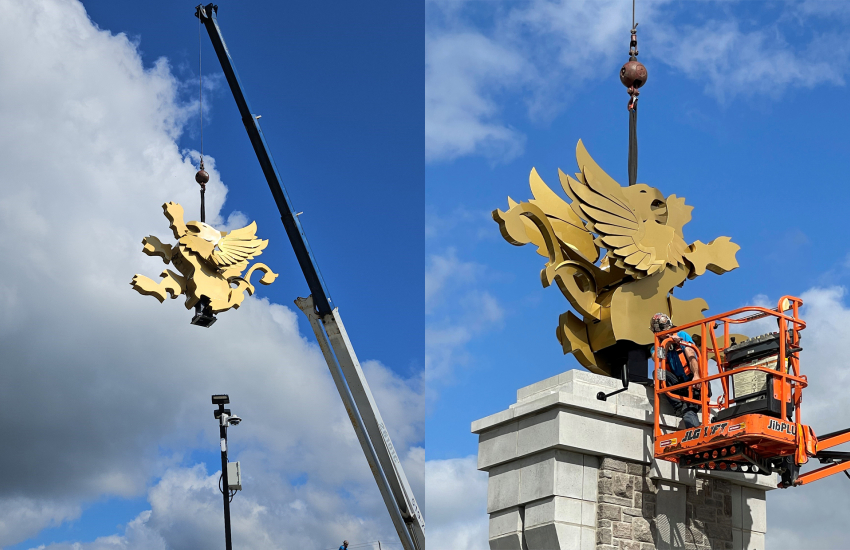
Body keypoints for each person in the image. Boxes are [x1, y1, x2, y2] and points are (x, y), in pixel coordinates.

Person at [650, 312, 702, 429]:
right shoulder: (657, 346)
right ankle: (679, 407)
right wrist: (667, 343)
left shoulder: (682, 335)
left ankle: (687, 415)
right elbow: (657, 358)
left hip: (693, 384)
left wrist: (697, 376)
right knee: (658, 373)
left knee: (689, 413)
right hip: (678, 386)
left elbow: (691, 355)